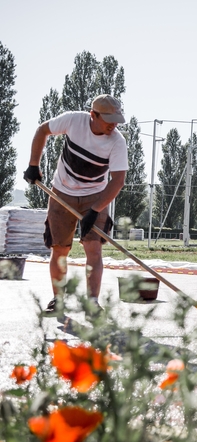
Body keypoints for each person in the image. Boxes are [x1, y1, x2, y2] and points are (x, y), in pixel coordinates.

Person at [23, 95, 128, 316]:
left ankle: (92, 303)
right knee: (60, 249)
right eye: (109, 119)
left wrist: (95, 210)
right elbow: (42, 130)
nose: (114, 124)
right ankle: (58, 300)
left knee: (94, 249)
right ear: (93, 115)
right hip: (61, 193)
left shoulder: (117, 142)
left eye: (116, 119)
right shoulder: (74, 121)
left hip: (96, 196)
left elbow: (117, 181)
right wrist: (34, 164)